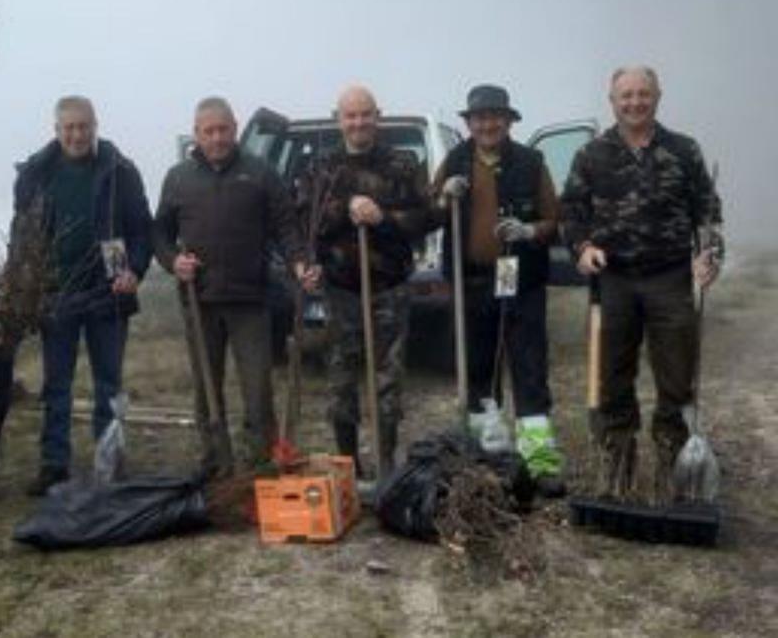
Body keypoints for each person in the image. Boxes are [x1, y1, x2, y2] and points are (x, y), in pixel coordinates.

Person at [561, 66, 724, 499]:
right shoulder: (591, 156)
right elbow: (571, 214)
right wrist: (581, 248)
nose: (634, 102)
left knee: (676, 378)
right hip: (613, 281)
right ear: (611, 101)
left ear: (657, 97)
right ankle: (616, 469)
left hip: (669, 280)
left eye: (642, 94)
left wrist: (709, 255)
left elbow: (708, 213)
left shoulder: (684, 151)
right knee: (611, 377)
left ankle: (673, 470)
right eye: (625, 96)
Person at [153, 96, 316, 478]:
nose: (217, 138)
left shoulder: (260, 173)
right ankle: (216, 464)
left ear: (234, 128)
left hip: (250, 300)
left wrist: (300, 263)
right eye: (208, 131)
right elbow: (159, 231)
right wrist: (172, 260)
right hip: (200, 301)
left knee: (258, 388)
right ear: (196, 134)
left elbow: (286, 226)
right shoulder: (179, 178)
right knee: (206, 387)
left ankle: (259, 463)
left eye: (223, 129)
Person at [428, 84, 566, 496]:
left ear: (508, 121)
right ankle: (488, 456)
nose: (487, 124)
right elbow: (430, 205)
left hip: (520, 282)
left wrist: (529, 230)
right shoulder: (454, 159)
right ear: (469, 123)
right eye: (479, 117)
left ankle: (539, 461)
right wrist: (443, 196)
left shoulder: (531, 161)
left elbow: (554, 219)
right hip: (471, 282)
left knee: (529, 369)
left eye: (495, 116)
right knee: (478, 371)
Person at [11, 96, 152, 496]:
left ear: (95, 126)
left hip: (108, 292)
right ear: (56, 130)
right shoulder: (36, 173)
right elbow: (22, 233)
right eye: (68, 127)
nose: (76, 134)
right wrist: (23, 282)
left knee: (109, 382)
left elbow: (141, 229)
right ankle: (54, 464)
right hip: (57, 294)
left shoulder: (120, 171)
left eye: (83, 126)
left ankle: (109, 460)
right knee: (57, 384)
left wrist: (134, 270)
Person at [295, 85, 431, 478]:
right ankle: (349, 464)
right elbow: (307, 223)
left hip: (389, 288)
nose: (358, 122)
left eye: (365, 114)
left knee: (389, 381)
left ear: (378, 116)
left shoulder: (401, 165)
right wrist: (345, 208)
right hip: (340, 292)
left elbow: (426, 218)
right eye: (350, 115)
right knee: (340, 382)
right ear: (339, 119)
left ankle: (387, 462)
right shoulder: (322, 169)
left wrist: (383, 218)